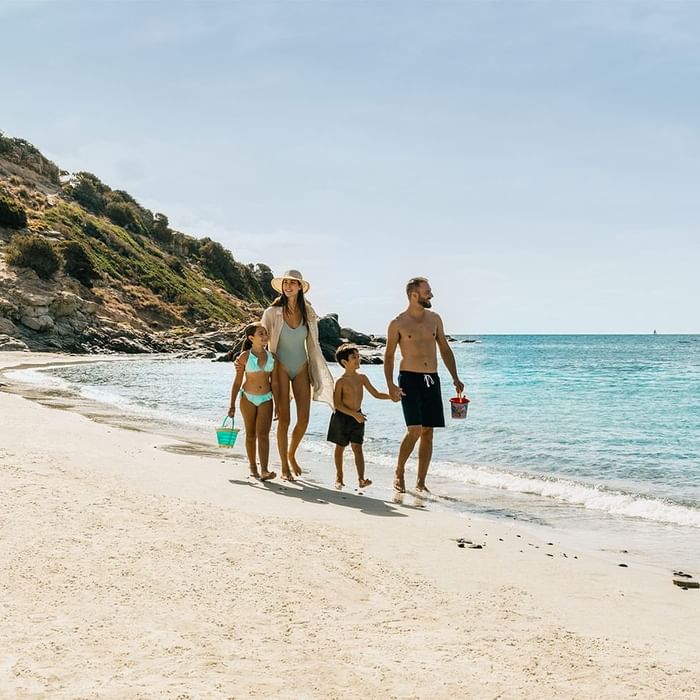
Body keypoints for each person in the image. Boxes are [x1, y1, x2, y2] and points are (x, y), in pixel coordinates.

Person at [384, 276, 466, 493]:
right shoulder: (397, 323)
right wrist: (390, 384)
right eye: (427, 291)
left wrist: (455, 377)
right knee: (415, 430)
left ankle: (420, 482)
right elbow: (389, 355)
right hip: (409, 379)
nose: (431, 295)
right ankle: (399, 471)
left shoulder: (435, 319)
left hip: (432, 379)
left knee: (428, 431)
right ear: (414, 295)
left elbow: (445, 349)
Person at [259, 269, 334, 481]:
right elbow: (261, 339)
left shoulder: (308, 312)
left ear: (300, 287)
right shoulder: (272, 313)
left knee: (304, 419)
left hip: (302, 367)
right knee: (284, 419)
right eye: (286, 283)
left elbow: (313, 343)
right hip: (280, 367)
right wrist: (250, 361)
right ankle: (284, 466)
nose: (288, 286)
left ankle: (291, 454)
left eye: (293, 283)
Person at [327, 343, 391, 490]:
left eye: (358, 356)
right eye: (353, 357)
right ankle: (339, 477)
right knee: (340, 447)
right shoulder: (341, 381)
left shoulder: (362, 378)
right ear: (344, 362)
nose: (358, 359)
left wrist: (391, 397)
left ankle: (361, 479)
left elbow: (376, 394)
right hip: (342, 417)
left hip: (358, 417)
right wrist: (354, 414)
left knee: (358, 447)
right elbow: (337, 404)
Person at [228, 322, 278, 481]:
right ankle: (253, 467)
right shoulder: (244, 357)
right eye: (261, 334)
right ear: (251, 338)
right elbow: (237, 382)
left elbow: (275, 383)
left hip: (266, 398)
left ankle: (264, 470)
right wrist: (232, 404)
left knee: (263, 435)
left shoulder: (272, 357)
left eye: (265, 333)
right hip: (247, 398)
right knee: (250, 434)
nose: (265, 336)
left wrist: (277, 404)